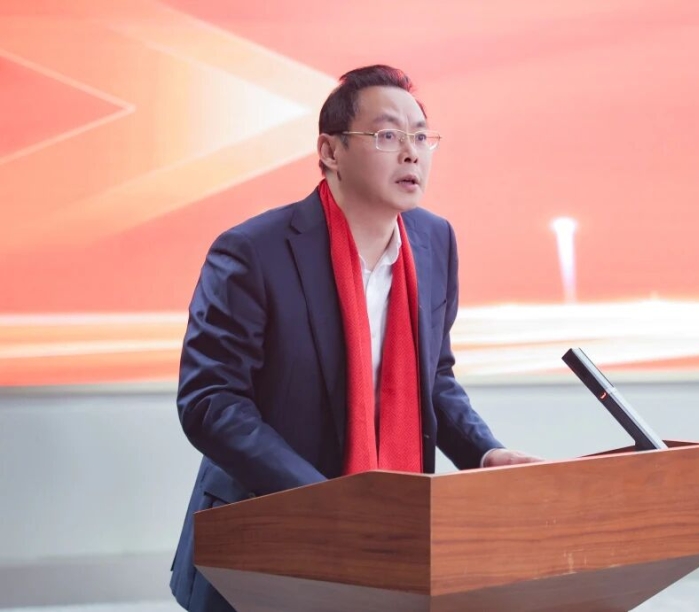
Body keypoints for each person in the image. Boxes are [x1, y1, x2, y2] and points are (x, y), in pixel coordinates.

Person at [169, 64, 540, 612]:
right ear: (330, 151)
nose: (411, 153)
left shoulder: (434, 241)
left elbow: (432, 378)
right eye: (388, 134)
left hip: (391, 542)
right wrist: (327, 501)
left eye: (422, 137)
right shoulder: (253, 251)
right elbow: (211, 402)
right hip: (265, 539)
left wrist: (484, 452)